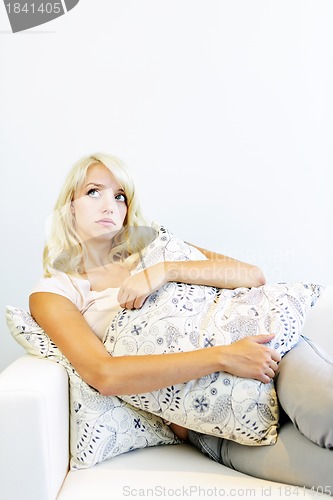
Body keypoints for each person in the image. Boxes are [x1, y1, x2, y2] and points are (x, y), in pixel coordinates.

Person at [29, 153, 333, 493]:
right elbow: (105, 375)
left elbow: (252, 275)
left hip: (275, 358)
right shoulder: (56, 292)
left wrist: (165, 270)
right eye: (94, 192)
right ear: (70, 205)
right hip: (215, 422)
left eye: (120, 196)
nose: (109, 206)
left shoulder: (154, 249)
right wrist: (223, 356)